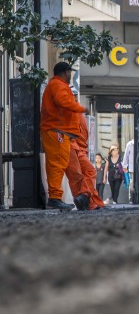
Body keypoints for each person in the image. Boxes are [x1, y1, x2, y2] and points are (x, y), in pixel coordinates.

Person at [40, 62, 86, 210]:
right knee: (57, 165)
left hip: (58, 130)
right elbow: (63, 101)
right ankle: (54, 198)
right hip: (57, 130)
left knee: (57, 164)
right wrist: (79, 108)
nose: (71, 75)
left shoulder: (55, 85)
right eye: (70, 72)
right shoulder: (58, 85)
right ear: (66, 72)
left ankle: (55, 197)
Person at [66, 113, 106, 211]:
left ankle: (90, 202)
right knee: (81, 176)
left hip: (77, 147)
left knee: (82, 177)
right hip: (74, 146)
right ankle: (86, 200)